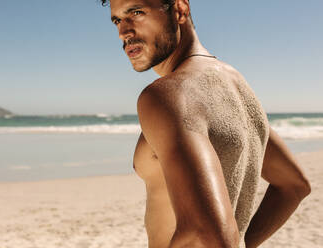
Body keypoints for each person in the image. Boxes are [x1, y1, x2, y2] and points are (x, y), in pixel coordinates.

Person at [102, 0, 311, 247]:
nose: (123, 31)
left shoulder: (166, 95)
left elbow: (206, 233)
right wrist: (245, 242)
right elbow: (294, 186)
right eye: (117, 20)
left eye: (136, 12)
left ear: (180, 9)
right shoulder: (236, 86)